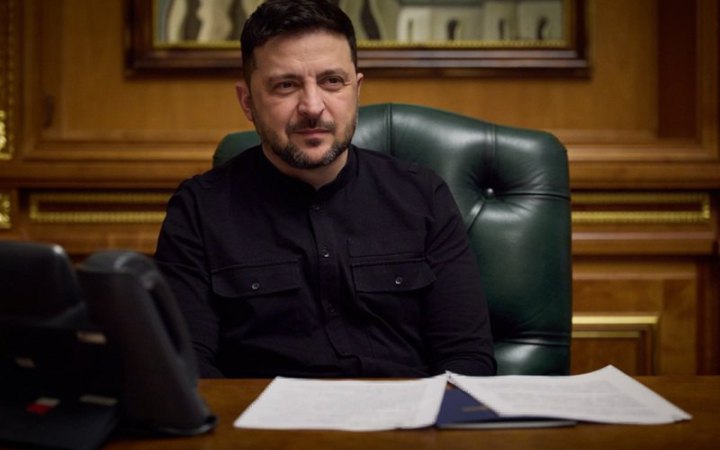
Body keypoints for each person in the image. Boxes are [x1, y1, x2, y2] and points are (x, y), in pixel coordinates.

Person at [154, 0, 496, 378]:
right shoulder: (199, 210)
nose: (312, 106)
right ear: (248, 102)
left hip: (404, 412)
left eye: (332, 81)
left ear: (356, 90)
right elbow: (189, 371)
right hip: (262, 414)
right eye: (286, 85)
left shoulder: (423, 196)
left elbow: (467, 359)